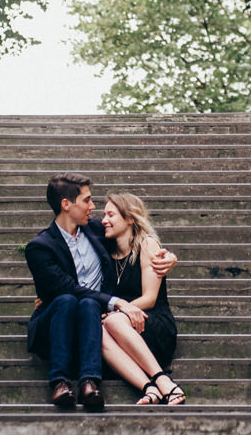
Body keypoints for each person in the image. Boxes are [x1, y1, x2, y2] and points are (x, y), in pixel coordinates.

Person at [24, 172, 176, 409]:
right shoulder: (40, 247)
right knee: (67, 299)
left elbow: (134, 236)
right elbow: (66, 288)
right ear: (66, 204)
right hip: (60, 322)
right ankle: (59, 382)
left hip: (94, 321)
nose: (94, 208)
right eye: (87, 200)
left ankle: (90, 382)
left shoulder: (96, 230)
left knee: (88, 305)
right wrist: (117, 302)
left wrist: (168, 257)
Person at [100, 192, 184, 405]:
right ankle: (149, 388)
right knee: (97, 329)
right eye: (103, 215)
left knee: (112, 320)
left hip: (152, 324)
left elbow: (149, 298)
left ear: (129, 218)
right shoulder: (105, 252)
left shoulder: (147, 245)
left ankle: (163, 379)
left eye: (111, 215)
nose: (104, 220)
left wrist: (119, 311)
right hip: (119, 330)